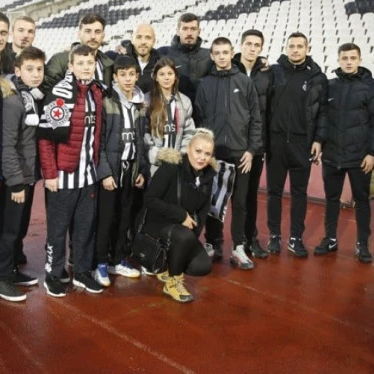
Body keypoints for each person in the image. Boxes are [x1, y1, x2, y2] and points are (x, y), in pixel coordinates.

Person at [38, 44, 106, 297]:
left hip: (88, 175)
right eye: (81, 63)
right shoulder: (60, 92)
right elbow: (46, 138)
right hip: (63, 177)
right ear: (70, 66)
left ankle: (82, 272)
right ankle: (53, 275)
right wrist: (50, 174)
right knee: (57, 231)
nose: (86, 67)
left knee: (85, 228)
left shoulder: (97, 92)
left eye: (90, 63)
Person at [315, 43, 374, 263]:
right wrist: (319, 141)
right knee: (332, 199)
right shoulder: (330, 86)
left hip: (360, 157)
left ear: (359, 60)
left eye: (352, 58)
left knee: (362, 200)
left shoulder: (371, 88)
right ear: (338, 60)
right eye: (344, 58)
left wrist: (373, 153)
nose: (348, 62)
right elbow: (322, 116)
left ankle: (362, 244)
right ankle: (330, 238)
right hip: (332, 154)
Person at [194, 37, 262, 269]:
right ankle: (213, 243)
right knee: (214, 201)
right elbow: (199, 120)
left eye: (225, 52)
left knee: (240, 202)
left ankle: (239, 247)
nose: (222, 56)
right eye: (217, 53)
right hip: (214, 156)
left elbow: (255, 119)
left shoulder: (244, 81)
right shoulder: (204, 84)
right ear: (212, 56)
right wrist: (204, 152)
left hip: (240, 155)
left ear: (232, 53)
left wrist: (251, 150)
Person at [0, 47, 47, 302]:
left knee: (20, 227)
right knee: (9, 230)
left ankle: (12, 270)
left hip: (29, 175)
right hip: (16, 179)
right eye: (29, 69)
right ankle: (0, 279)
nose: (36, 74)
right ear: (17, 70)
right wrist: (15, 183)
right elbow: (8, 145)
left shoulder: (33, 96)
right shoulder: (14, 101)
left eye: (39, 69)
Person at [266, 32, 328, 258]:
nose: (295, 50)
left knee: (299, 193)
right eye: (291, 46)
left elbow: (323, 112)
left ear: (307, 49)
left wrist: (318, 139)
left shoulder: (317, 77)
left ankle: (295, 238)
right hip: (276, 142)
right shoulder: (274, 72)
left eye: (299, 46)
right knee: (274, 192)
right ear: (286, 48)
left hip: (302, 144)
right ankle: (274, 235)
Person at [138, 128, 217, 303]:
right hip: (157, 225)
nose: (202, 157)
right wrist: (181, 215)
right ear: (188, 149)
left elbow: (203, 212)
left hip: (182, 231)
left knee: (202, 265)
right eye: (198, 151)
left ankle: (167, 266)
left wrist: (193, 237)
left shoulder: (208, 176)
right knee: (183, 236)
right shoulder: (171, 167)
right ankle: (173, 281)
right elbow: (149, 200)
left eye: (207, 154)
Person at [94, 56, 149, 287]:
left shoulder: (141, 103)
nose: (127, 79)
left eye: (131, 74)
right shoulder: (107, 101)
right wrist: (105, 173)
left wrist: (141, 169)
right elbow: (98, 142)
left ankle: (117, 259)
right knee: (106, 219)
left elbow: (141, 141)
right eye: (122, 74)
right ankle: (100, 263)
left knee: (124, 217)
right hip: (112, 169)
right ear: (115, 77)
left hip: (130, 168)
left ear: (137, 76)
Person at [232, 30, 273, 259]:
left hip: (255, 145)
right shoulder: (230, 68)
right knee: (225, 195)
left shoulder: (267, 74)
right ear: (241, 45)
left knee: (250, 195)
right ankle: (216, 240)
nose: (252, 48)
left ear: (261, 48)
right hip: (232, 143)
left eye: (257, 45)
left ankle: (250, 238)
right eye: (248, 43)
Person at [144, 57, 195, 177]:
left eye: (170, 73)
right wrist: (155, 153)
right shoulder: (147, 100)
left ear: (175, 76)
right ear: (156, 77)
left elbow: (189, 132)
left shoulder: (185, 101)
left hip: (178, 163)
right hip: (154, 165)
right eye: (162, 74)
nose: (166, 78)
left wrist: (180, 154)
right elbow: (143, 131)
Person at [43, 13, 114, 92]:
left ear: (103, 36)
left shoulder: (109, 64)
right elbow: (46, 91)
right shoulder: (60, 60)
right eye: (88, 31)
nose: (93, 36)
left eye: (97, 32)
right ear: (79, 34)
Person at [157, 13, 212, 103]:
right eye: (185, 29)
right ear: (178, 31)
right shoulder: (164, 54)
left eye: (193, 29)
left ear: (199, 31)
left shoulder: (209, 55)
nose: (189, 33)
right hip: (175, 107)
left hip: (203, 107)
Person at [106, 24, 160, 94]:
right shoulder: (115, 59)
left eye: (148, 38)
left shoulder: (160, 62)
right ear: (132, 39)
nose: (143, 42)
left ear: (154, 41)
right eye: (138, 37)